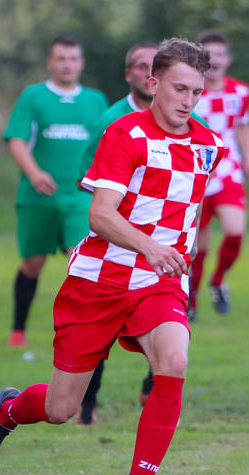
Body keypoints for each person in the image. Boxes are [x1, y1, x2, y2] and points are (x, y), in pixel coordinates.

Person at [0, 38, 225, 475]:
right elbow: (101, 214)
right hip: (100, 281)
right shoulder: (123, 135)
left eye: (196, 92)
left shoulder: (207, 144)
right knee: (61, 407)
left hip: (159, 283)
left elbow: (188, 211)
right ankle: (9, 410)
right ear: (153, 84)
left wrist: (175, 256)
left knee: (173, 360)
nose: (188, 101)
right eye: (179, 89)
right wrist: (150, 245)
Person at [4, 35, 108, 349]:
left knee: (82, 260)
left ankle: (80, 329)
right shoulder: (34, 97)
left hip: (79, 198)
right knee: (32, 263)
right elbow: (17, 140)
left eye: (73, 58)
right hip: (38, 197)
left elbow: (106, 145)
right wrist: (34, 173)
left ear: (82, 63)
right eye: (61, 58)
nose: (67, 64)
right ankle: (18, 329)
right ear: (50, 62)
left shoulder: (96, 100)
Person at [74, 42, 159, 425]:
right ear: (130, 74)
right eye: (141, 67)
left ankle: (153, 392)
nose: (148, 74)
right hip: (117, 245)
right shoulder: (111, 120)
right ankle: (86, 408)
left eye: (155, 66)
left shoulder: (183, 123)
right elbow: (86, 181)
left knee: (172, 330)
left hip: (163, 247)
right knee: (101, 333)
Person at [188, 31, 249, 319]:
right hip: (196, 173)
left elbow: (242, 125)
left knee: (235, 231)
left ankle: (217, 281)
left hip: (228, 169)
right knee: (197, 247)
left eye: (219, 54)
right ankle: (191, 299)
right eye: (208, 53)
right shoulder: (190, 91)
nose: (214, 59)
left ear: (228, 59)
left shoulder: (240, 92)